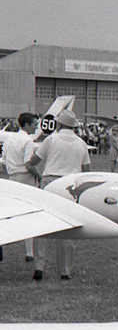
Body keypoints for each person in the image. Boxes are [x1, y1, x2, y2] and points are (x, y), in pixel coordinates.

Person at [26, 110, 91, 280]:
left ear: (60, 124)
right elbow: (88, 171)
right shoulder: (81, 143)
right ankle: (65, 270)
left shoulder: (51, 139)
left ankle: (39, 267)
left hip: (50, 182)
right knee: (67, 229)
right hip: (71, 184)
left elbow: (33, 162)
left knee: (42, 225)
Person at [3, 112, 44, 273]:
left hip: (12, 178)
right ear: (27, 125)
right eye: (34, 124)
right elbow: (29, 165)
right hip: (25, 178)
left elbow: (4, 161)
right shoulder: (27, 141)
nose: (36, 127)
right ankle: (29, 252)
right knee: (29, 215)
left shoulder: (9, 139)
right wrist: (40, 176)